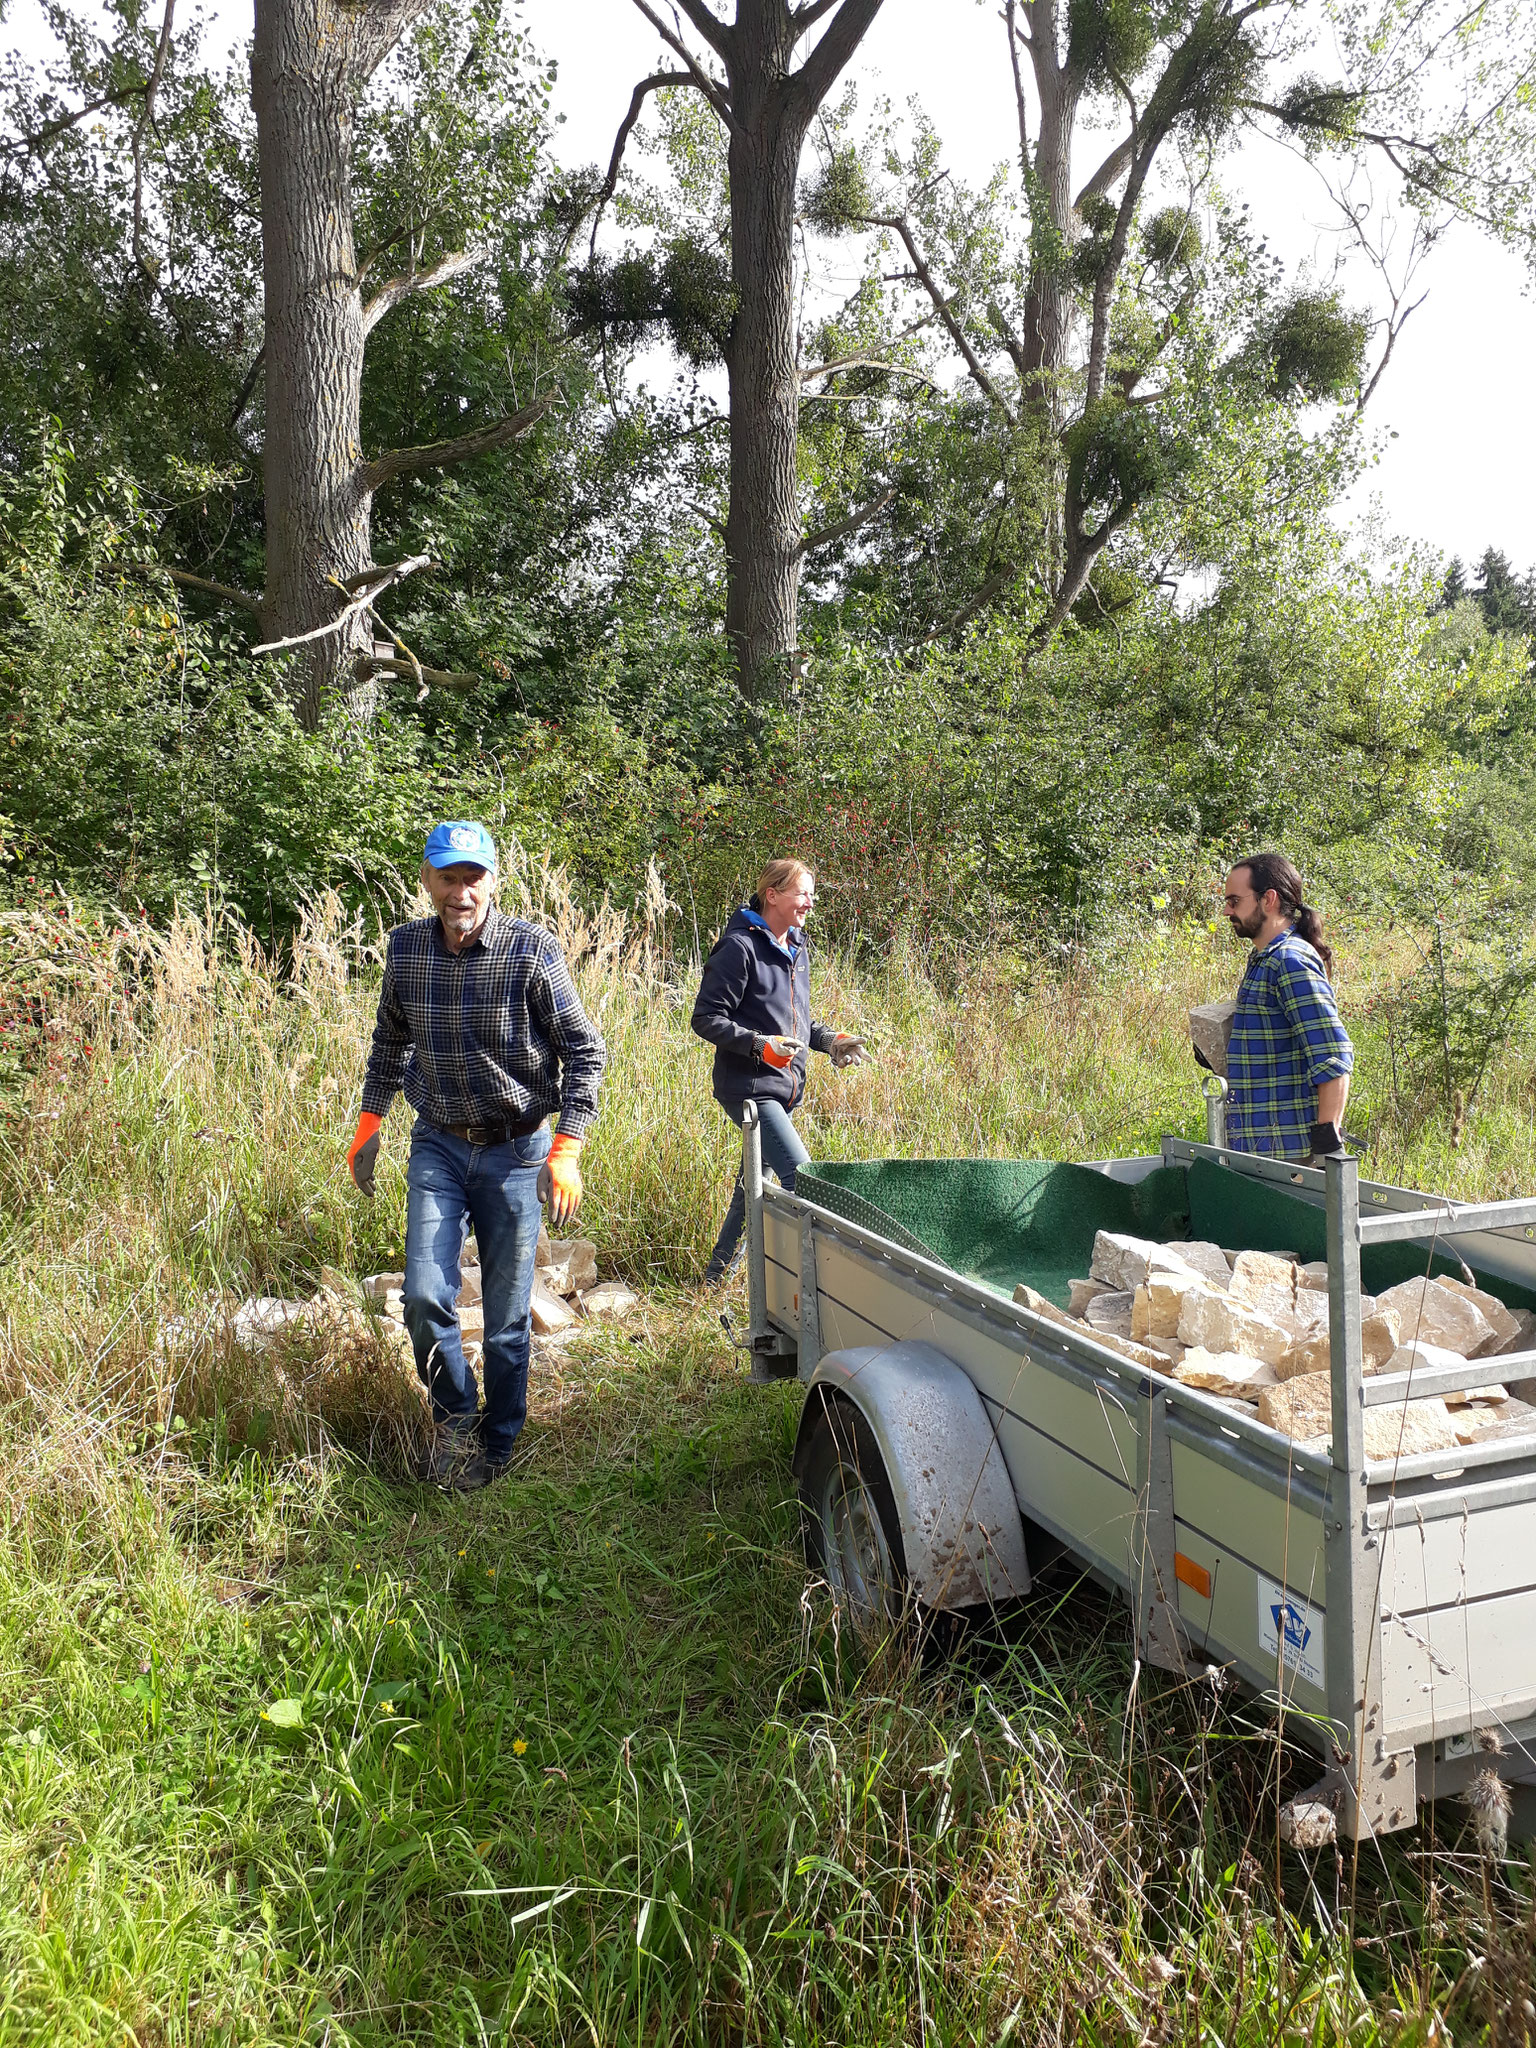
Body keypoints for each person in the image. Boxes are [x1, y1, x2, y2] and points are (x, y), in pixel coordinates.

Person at [346, 821, 606, 1489]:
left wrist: (568, 1147)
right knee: (426, 1298)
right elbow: (389, 1042)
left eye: (473, 877)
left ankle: (500, 1439)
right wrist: (370, 1121)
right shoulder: (406, 949)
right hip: (437, 1148)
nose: (461, 892)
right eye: (448, 877)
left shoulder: (531, 952)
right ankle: (456, 1425)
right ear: (427, 880)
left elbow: (585, 1051)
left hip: (517, 1151)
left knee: (505, 1320)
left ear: (492, 881)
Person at [691, 858, 868, 1286]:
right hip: (749, 1088)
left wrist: (830, 1042)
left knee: (750, 1188)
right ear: (773, 895)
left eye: (811, 893)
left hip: (783, 1090)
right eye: (802, 893)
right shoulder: (740, 947)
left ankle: (713, 1283)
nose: (810, 902)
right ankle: (819, 1288)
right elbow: (705, 1017)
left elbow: (795, 1021)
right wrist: (758, 1045)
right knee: (802, 1178)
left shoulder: (797, 945)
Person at [1221, 852, 1353, 1164]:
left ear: (1268, 899)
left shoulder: (1289, 961)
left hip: (1290, 1157)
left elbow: (1332, 1055)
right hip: (1260, 1150)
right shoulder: (1264, 959)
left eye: (1234, 900)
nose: (1227, 910)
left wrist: (1326, 1146)